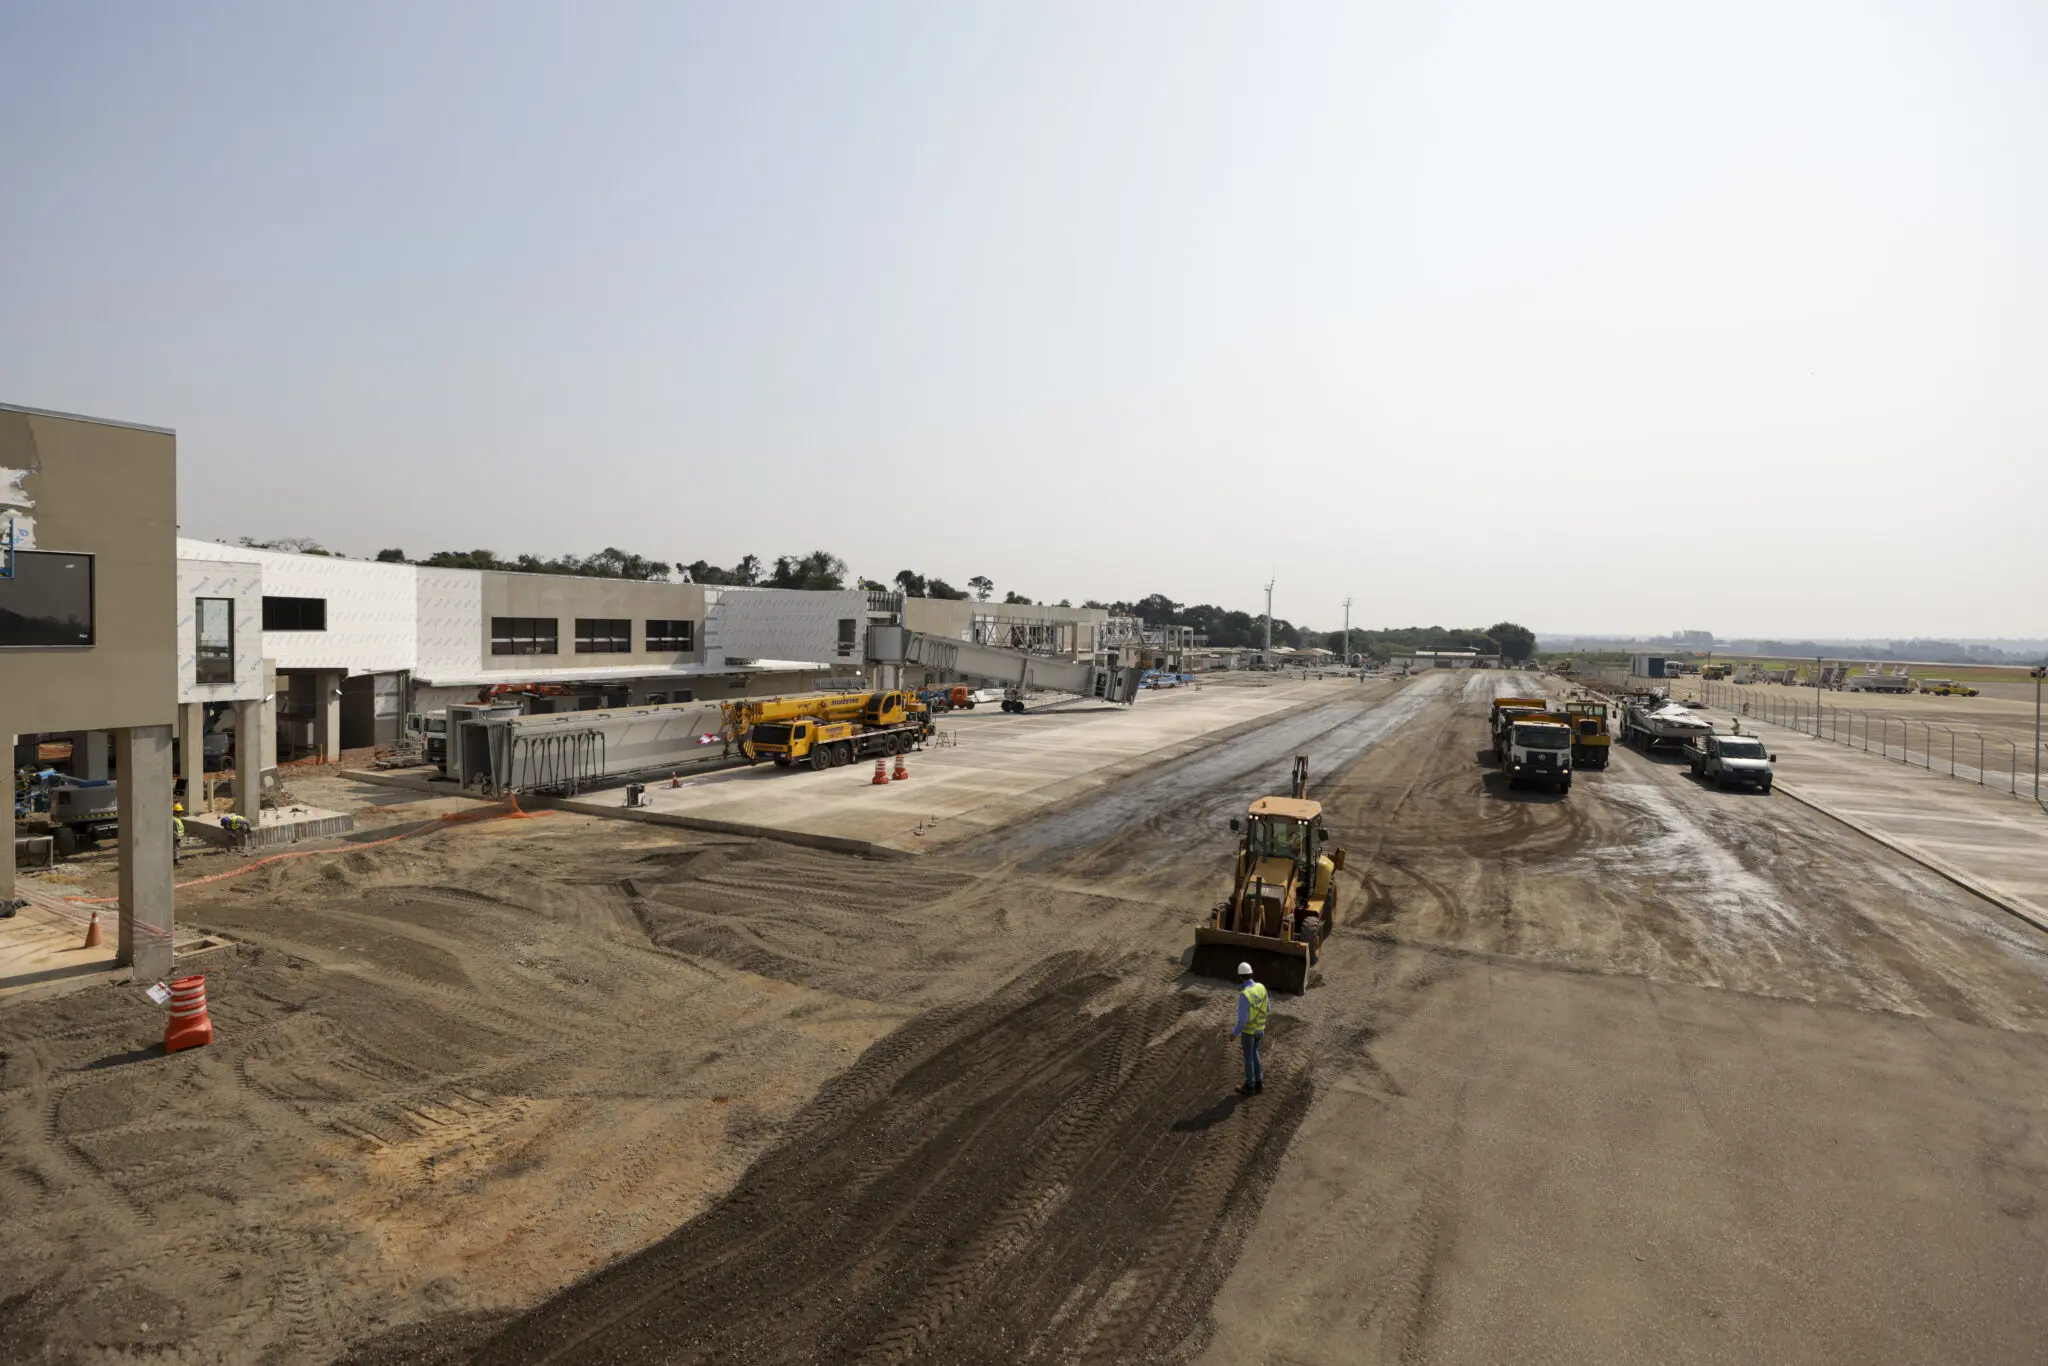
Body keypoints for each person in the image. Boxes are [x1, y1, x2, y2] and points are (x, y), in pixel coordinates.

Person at [1232, 962, 1268, 1094]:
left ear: (1240, 977)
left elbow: (1242, 1020)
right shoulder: (1261, 987)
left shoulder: (1245, 994)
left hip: (1248, 1031)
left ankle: (1249, 1085)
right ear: (1251, 973)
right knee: (1255, 1054)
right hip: (1260, 1029)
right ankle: (1259, 1083)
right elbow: (1268, 1008)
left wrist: (1234, 1033)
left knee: (1248, 1057)